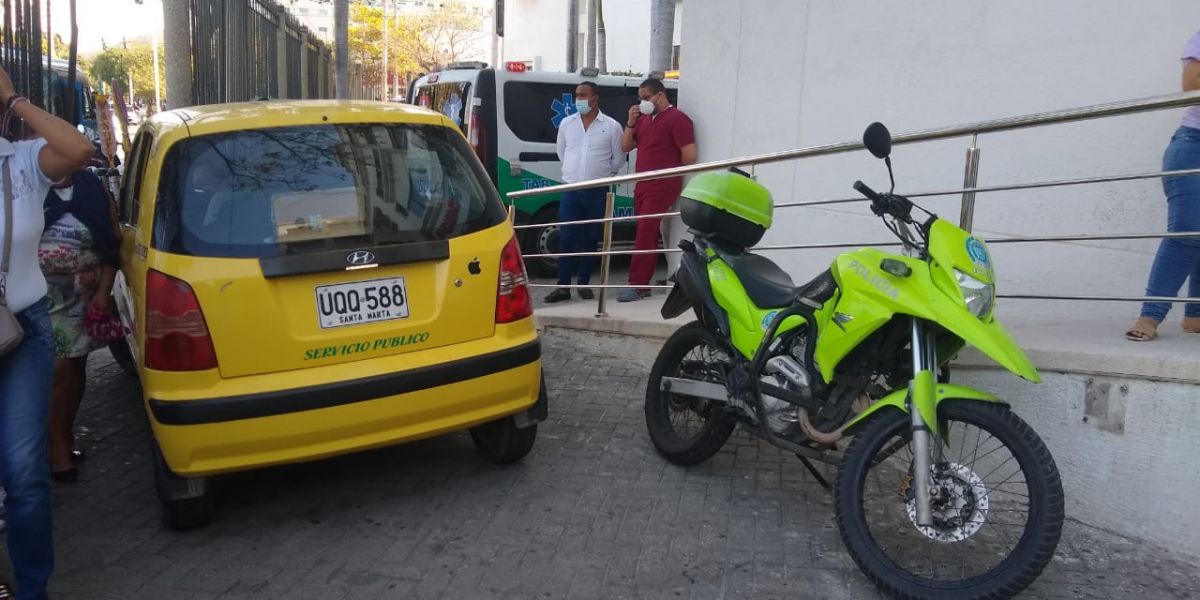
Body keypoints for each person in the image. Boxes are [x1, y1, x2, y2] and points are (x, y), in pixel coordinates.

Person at [0, 65, 97, 599]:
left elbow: (79, 149)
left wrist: (15, 101)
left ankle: (33, 589)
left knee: (24, 471)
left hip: (24, 329)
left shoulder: (22, 162)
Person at [39, 169, 121, 482]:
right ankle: (55, 447)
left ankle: (65, 434)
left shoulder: (89, 184)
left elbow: (111, 239)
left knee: (75, 370)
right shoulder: (28, 183)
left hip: (85, 297)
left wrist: (103, 292)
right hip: (41, 298)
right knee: (58, 370)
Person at [1127, 31, 1200, 341]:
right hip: (1195, 143)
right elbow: (1192, 83)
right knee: (1187, 230)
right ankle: (1150, 317)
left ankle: (1195, 316)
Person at [544, 82, 625, 303]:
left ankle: (584, 283)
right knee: (567, 238)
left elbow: (618, 159)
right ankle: (563, 287)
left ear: (595, 98)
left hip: (597, 191)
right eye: (576, 95)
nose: (578, 99)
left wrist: (600, 175)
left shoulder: (611, 126)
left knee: (590, 239)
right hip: (571, 190)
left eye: (583, 95)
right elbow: (562, 152)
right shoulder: (567, 124)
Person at [618, 78, 696, 302]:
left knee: (645, 231)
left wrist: (666, 168)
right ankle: (643, 282)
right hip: (643, 185)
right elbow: (625, 146)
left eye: (646, 97)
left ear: (660, 95)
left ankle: (638, 285)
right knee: (646, 233)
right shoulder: (642, 121)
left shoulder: (677, 119)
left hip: (662, 184)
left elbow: (689, 155)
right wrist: (631, 123)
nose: (642, 102)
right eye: (640, 98)